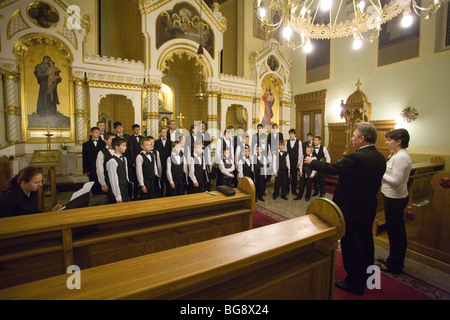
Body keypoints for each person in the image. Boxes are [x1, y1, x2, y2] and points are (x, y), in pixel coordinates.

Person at [304, 122, 386, 295]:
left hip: (351, 209)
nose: (352, 137)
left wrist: (313, 162)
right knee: (365, 242)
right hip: (368, 207)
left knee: (351, 245)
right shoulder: (380, 157)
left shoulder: (356, 158)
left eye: (354, 135)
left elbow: (332, 168)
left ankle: (354, 283)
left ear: (362, 139)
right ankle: (368, 277)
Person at [378, 129, 412, 274]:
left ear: (399, 141)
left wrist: (381, 172)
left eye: (389, 140)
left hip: (395, 198)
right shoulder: (398, 155)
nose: (386, 142)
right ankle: (392, 258)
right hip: (392, 196)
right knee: (394, 231)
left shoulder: (401, 157)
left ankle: (395, 264)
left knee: (396, 232)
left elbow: (396, 181)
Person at [106, 137, 132, 203]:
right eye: (123, 146)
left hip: (124, 187)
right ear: (116, 147)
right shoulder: (112, 161)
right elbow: (113, 180)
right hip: (117, 189)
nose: (125, 147)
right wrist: (118, 196)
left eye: (125, 145)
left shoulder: (124, 158)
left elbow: (125, 175)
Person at [82, 127, 106, 195]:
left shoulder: (103, 143)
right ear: (91, 133)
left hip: (101, 166)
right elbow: (85, 157)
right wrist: (85, 170)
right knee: (93, 183)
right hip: (91, 167)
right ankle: (95, 196)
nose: (97, 134)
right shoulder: (86, 144)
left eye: (99, 132)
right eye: (95, 132)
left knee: (101, 182)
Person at [95, 132, 116, 203]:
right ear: (105, 140)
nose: (113, 141)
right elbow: (100, 169)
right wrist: (103, 183)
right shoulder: (102, 152)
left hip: (117, 180)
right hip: (108, 179)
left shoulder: (118, 150)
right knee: (110, 200)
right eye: (111, 139)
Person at [154, 127, 172, 197]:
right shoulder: (156, 142)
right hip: (160, 163)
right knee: (160, 180)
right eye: (163, 132)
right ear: (160, 133)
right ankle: (160, 195)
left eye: (165, 132)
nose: (164, 133)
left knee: (168, 179)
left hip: (168, 163)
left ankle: (168, 194)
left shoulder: (170, 142)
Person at [286, 129, 303, 196]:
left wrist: (299, 162)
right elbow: (286, 152)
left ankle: (294, 189)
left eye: (292, 134)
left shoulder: (299, 142)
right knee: (288, 175)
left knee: (294, 176)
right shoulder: (287, 142)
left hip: (295, 161)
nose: (291, 135)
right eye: (290, 134)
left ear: (295, 134)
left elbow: (300, 152)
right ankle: (287, 189)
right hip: (288, 160)